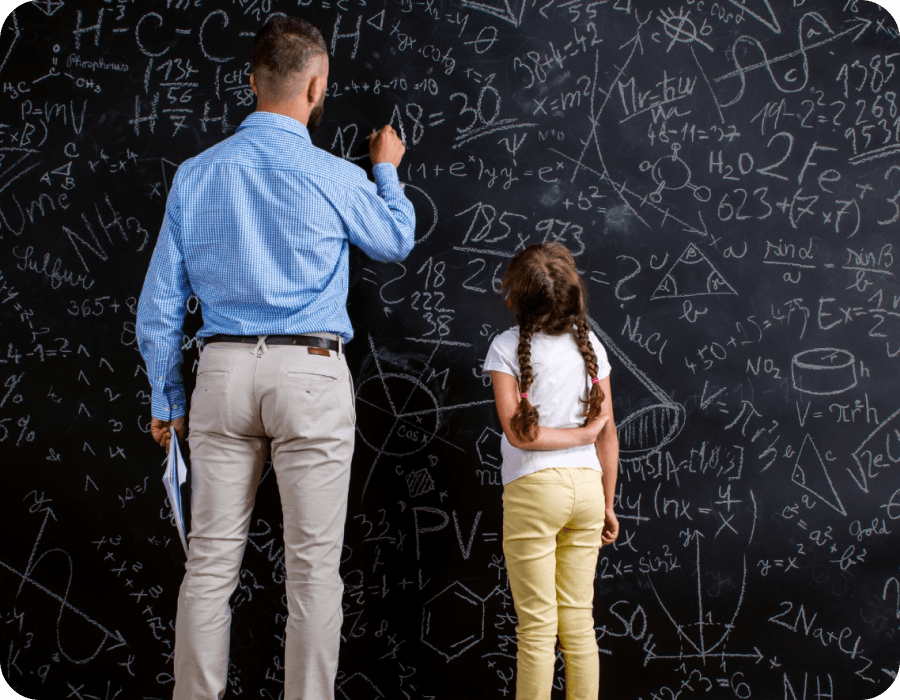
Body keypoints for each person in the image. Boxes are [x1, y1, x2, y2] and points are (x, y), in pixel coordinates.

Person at [135, 16, 415, 700]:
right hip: (310, 372)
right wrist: (385, 170)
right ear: (316, 85)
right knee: (314, 572)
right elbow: (394, 241)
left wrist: (165, 400)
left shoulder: (196, 175)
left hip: (222, 374)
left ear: (251, 82)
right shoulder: (331, 174)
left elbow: (159, 309)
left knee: (207, 567)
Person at [482, 242, 620, 700]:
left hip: (535, 491)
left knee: (538, 628)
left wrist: (578, 437)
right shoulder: (591, 346)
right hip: (587, 490)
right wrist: (608, 502)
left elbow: (520, 436)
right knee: (579, 622)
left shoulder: (505, 348)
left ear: (517, 296)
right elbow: (608, 434)